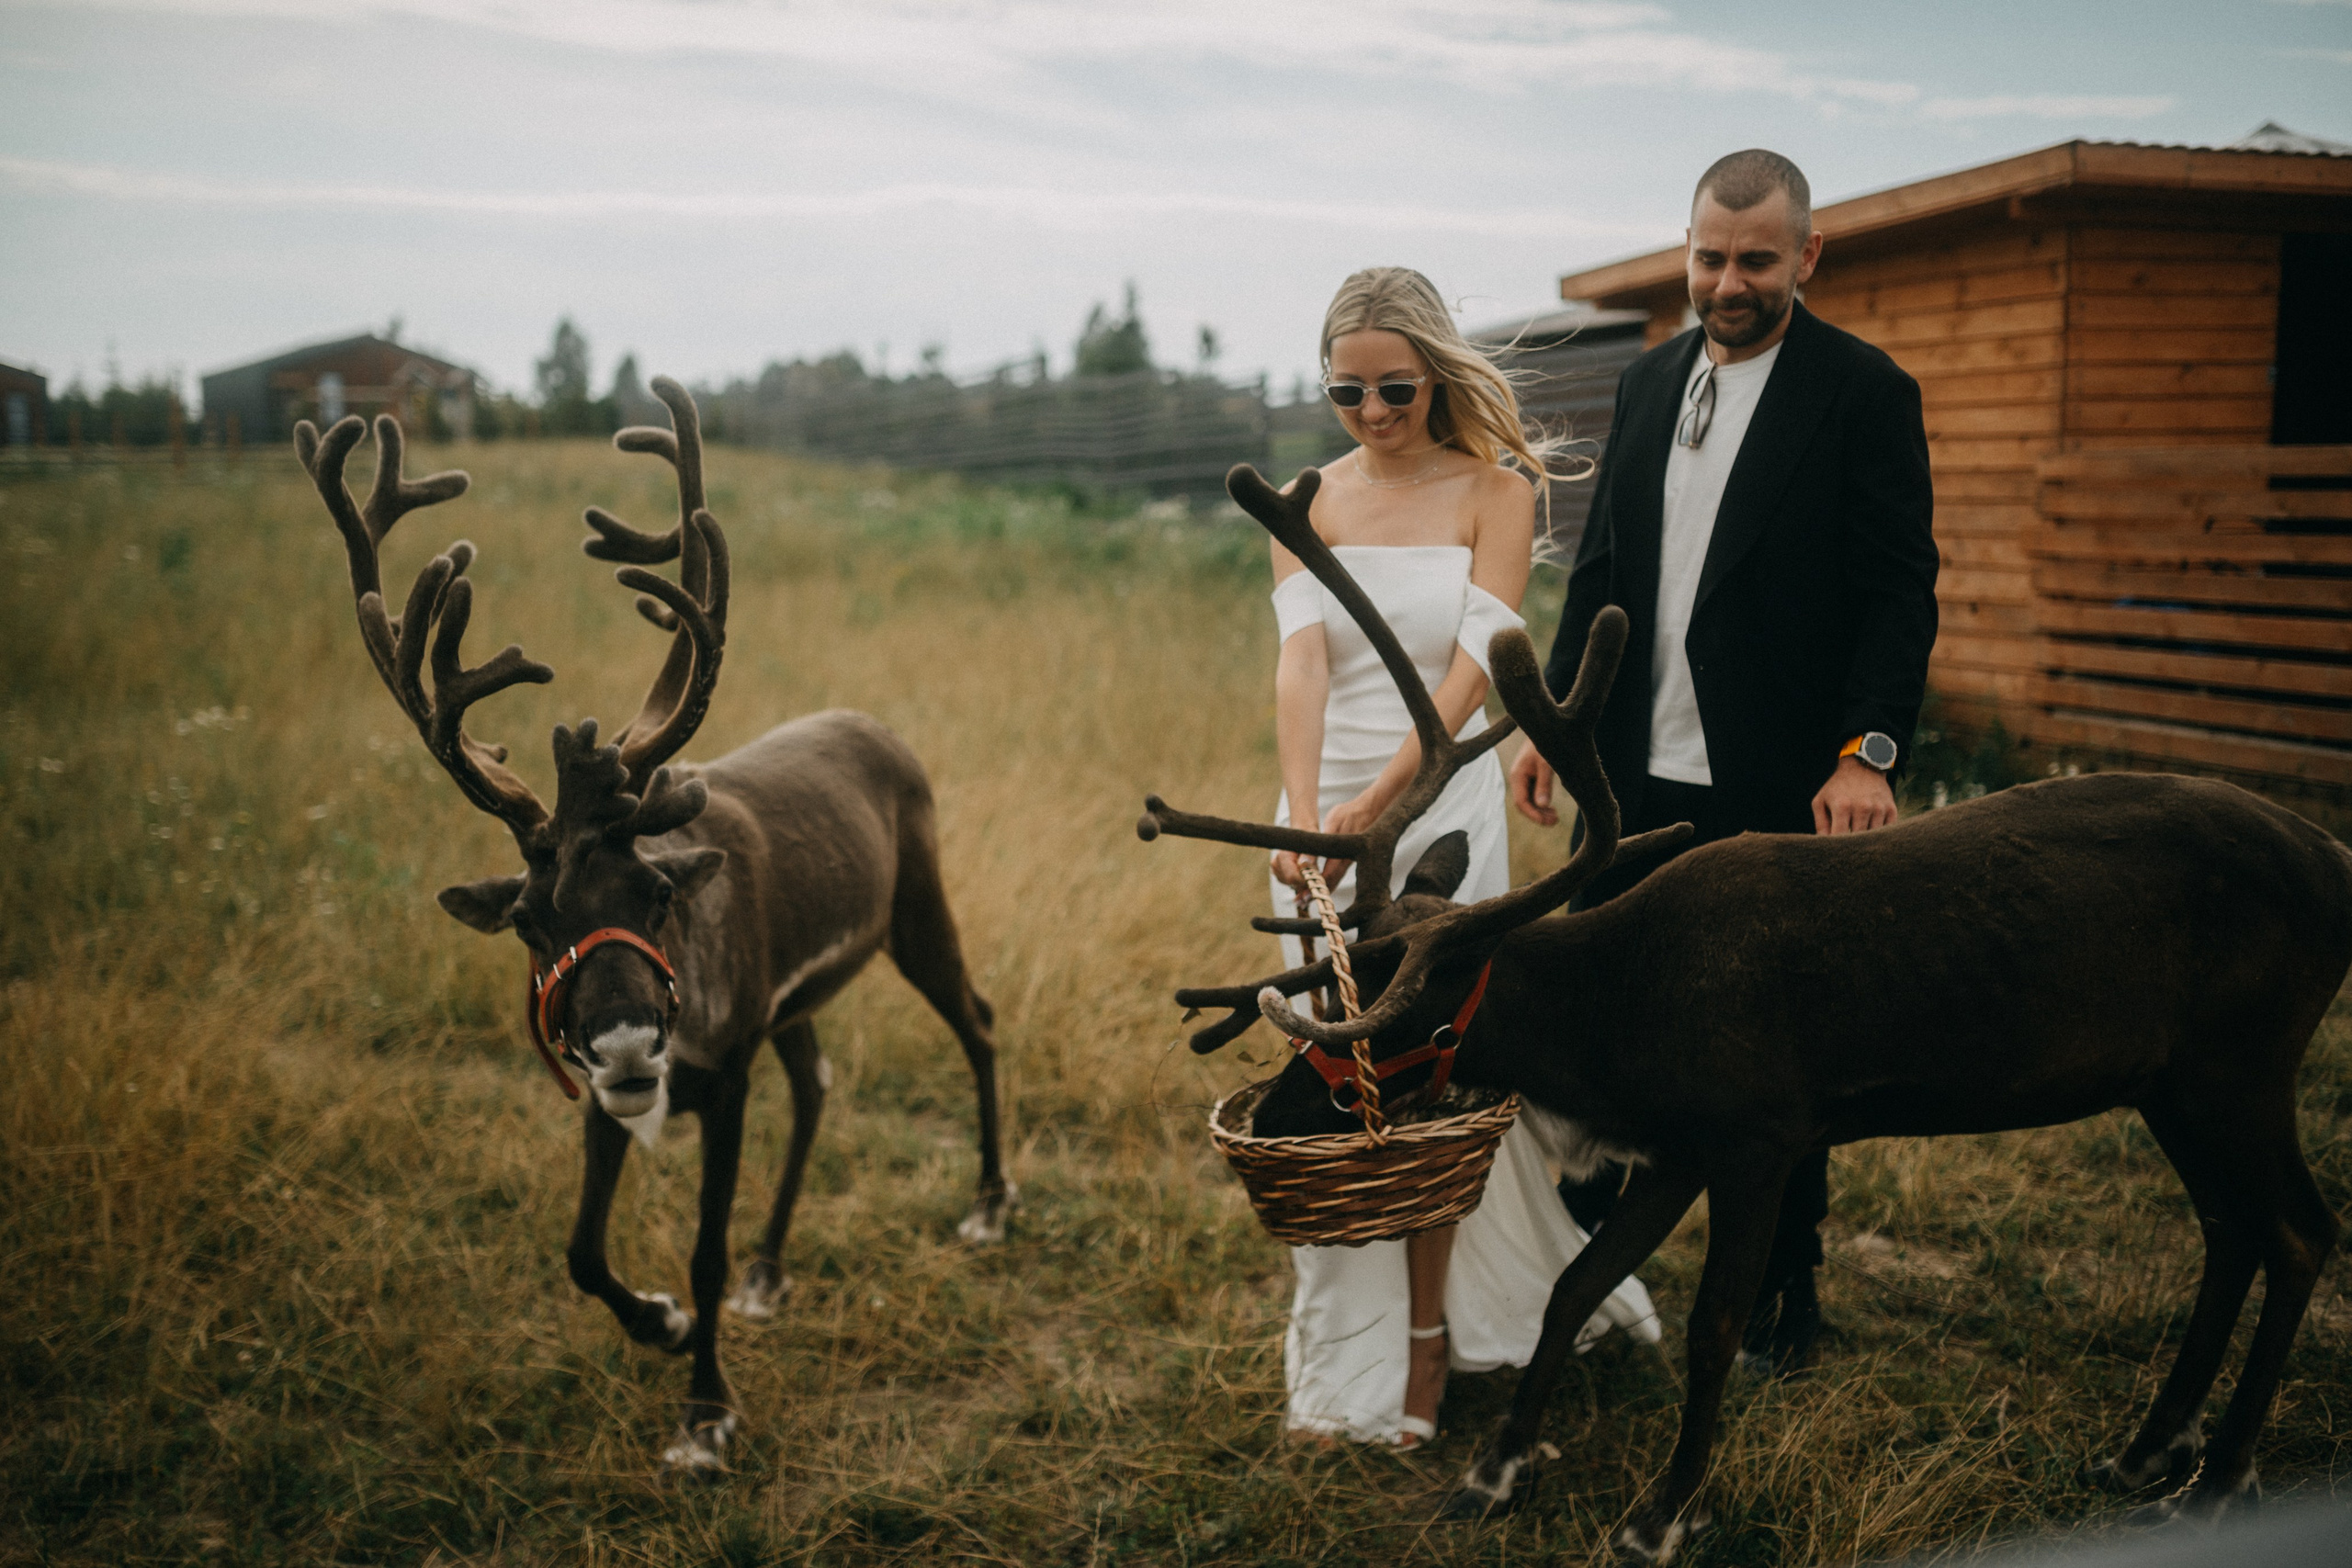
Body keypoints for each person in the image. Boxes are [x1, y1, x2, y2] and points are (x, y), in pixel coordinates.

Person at [1507, 150, 1939, 1375]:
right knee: (1616, 1013)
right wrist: (1559, 730)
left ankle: (1783, 1290)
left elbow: (1898, 591)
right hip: (1633, 778)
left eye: (1755, 259)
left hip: (1782, 777)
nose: (1728, 281)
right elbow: (1599, 576)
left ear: (1808, 255)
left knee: (1775, 1048)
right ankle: (1598, 1271)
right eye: (1709, 256)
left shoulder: (1862, 392)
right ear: (1685, 251)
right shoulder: (1645, 383)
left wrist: (1867, 751)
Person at [1270, 266, 1659, 1448]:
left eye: (1395, 387)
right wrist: (1302, 816)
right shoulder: (1307, 498)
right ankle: (1347, 1354)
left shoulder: (1499, 490)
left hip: (1443, 808)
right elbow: (1300, 663)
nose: (1374, 412)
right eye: (1347, 389)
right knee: (1346, 1085)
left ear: (1436, 374)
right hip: (1316, 821)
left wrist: (1384, 799)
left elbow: (1483, 660)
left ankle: (1436, 1341)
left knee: (1436, 1080)